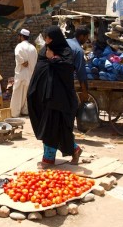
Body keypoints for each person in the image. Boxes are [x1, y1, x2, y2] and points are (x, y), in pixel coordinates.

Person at [27, 26, 82, 168]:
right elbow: (39, 70)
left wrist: (53, 59)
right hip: (44, 98)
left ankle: (49, 158)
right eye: (46, 37)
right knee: (52, 128)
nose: (47, 40)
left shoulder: (65, 52)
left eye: (49, 38)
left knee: (53, 127)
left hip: (59, 99)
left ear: (56, 38)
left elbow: (67, 69)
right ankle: (75, 149)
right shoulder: (43, 51)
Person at [10, 29, 38, 117]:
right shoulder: (33, 48)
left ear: (21, 36)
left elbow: (20, 58)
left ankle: (15, 113)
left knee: (18, 94)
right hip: (30, 75)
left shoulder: (19, 46)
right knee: (27, 95)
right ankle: (26, 111)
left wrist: (23, 62)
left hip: (21, 74)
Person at [66, 27, 90, 102]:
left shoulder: (66, 41)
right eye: (86, 37)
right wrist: (84, 90)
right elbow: (80, 72)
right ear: (81, 36)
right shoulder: (78, 50)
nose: (87, 40)